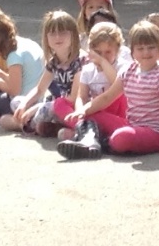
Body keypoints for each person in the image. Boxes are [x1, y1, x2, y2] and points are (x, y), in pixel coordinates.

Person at [60, 19, 159, 158]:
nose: (146, 52)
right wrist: (82, 110)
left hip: (156, 132)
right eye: (140, 49)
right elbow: (107, 97)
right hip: (131, 125)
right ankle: (88, 141)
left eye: (151, 47)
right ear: (132, 51)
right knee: (90, 114)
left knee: (121, 138)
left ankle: (99, 142)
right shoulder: (129, 70)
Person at [54, 21, 127, 151]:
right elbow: (81, 97)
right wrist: (80, 113)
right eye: (98, 52)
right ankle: (86, 132)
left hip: (117, 119)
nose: (102, 56)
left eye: (108, 52)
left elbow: (118, 85)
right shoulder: (88, 70)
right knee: (59, 103)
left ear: (117, 50)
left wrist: (102, 62)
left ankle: (84, 134)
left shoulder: (123, 67)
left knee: (103, 106)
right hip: (91, 114)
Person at [8, 11, 83, 136]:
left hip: (71, 107)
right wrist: (24, 104)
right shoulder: (54, 62)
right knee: (16, 102)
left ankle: (29, 125)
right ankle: (39, 125)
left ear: (73, 35)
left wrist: (36, 108)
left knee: (46, 109)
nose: (57, 37)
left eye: (63, 33)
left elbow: (74, 98)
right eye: (52, 33)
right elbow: (39, 90)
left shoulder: (80, 61)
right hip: (55, 104)